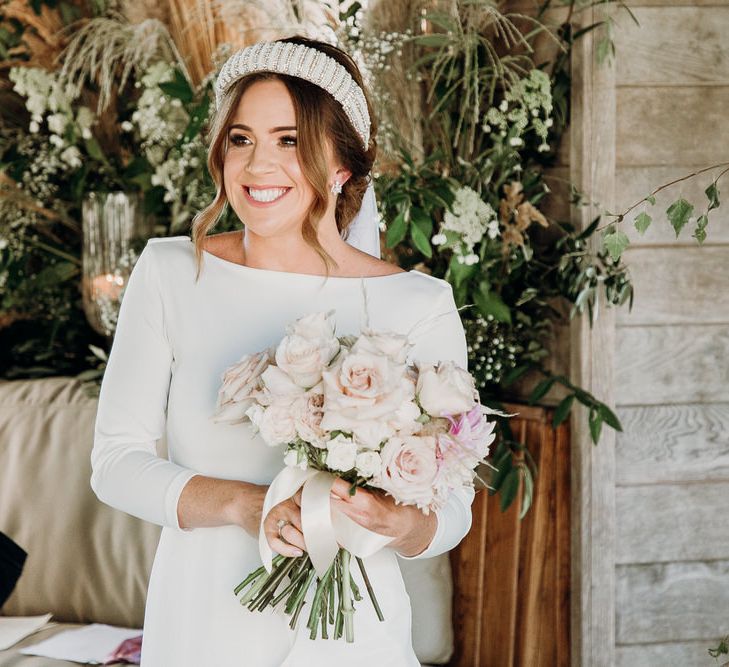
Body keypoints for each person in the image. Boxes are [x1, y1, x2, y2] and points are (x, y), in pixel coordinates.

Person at [91, 35, 474, 666]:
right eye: (241, 139)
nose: (257, 165)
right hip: (204, 624)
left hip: (354, 637)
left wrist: (405, 526)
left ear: (345, 165)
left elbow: (452, 503)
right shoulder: (168, 275)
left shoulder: (418, 305)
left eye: (289, 140)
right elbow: (115, 463)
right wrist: (250, 507)